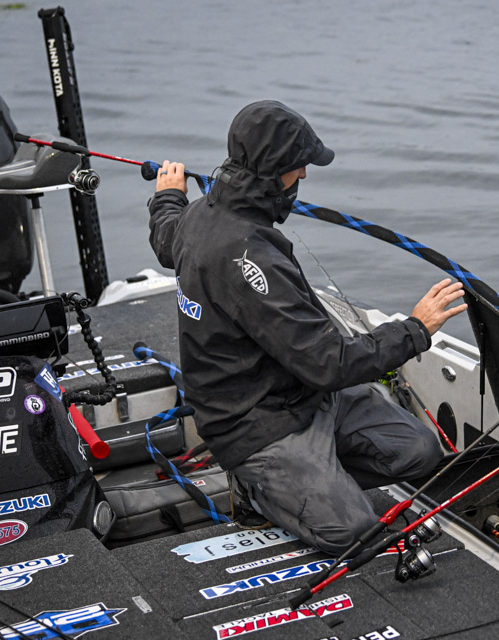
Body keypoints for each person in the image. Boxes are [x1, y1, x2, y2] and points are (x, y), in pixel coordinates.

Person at [147, 100, 467, 553]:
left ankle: (317, 480)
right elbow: (329, 363)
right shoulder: (252, 259)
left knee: (420, 451)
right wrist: (416, 329)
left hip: (307, 396)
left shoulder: (194, 215)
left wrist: (167, 195)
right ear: (274, 170)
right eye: (297, 166)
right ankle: (259, 488)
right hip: (256, 425)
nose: (303, 175)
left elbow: (165, 237)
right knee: (353, 532)